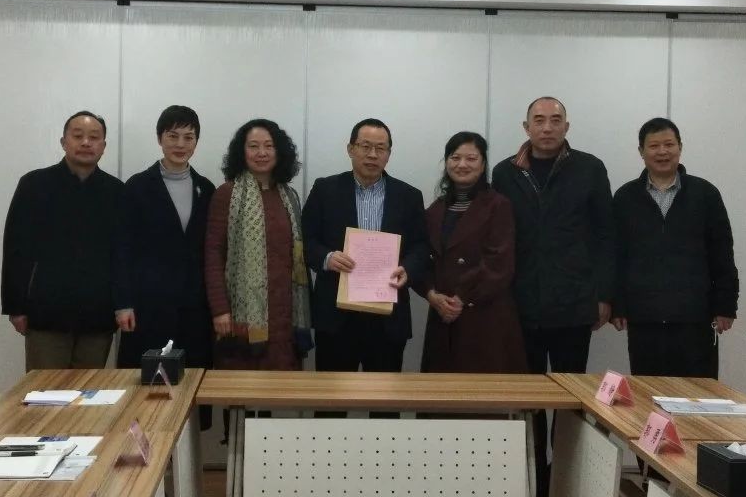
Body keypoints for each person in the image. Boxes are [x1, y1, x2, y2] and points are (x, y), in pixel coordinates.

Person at [490, 96, 614, 497]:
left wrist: (604, 295)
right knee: (528, 397)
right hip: (521, 304)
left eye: (555, 120)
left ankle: (565, 477)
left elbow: (606, 236)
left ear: (567, 126)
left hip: (573, 303)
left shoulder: (590, 169)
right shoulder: (505, 172)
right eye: (539, 120)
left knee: (570, 397)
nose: (547, 127)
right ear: (526, 127)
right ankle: (532, 478)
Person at [611, 117, 739, 379]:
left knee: (698, 393)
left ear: (680, 147)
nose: (662, 152)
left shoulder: (705, 194)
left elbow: (722, 254)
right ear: (641, 152)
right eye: (654, 146)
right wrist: (618, 306)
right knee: (648, 392)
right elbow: (616, 257)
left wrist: (725, 306)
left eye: (669, 144)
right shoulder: (625, 198)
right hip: (643, 316)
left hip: (695, 316)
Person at [302, 118, 429, 376]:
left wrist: (407, 269)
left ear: (389, 154)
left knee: (384, 398)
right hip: (336, 316)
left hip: (388, 318)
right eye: (365, 146)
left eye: (380, 148)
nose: (373, 154)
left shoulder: (409, 196)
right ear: (351, 149)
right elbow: (305, 240)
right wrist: (327, 258)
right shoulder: (325, 189)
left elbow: (420, 245)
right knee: (331, 397)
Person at [115, 106, 216, 427]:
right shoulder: (137, 187)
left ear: (196, 142)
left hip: (194, 308)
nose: (180, 144)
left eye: (189, 137)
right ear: (160, 139)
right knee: (147, 394)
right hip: (148, 306)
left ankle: (187, 454)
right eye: (173, 136)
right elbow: (122, 249)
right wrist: (123, 303)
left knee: (190, 390)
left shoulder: (206, 188)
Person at [1, 111, 124, 371]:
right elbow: (16, 249)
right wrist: (15, 307)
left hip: (98, 314)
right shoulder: (34, 185)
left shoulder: (116, 191)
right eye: (78, 136)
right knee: (45, 391)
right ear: (63, 142)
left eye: (94, 137)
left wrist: (122, 305)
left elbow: (122, 255)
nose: (86, 143)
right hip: (46, 311)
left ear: (104, 146)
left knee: (89, 392)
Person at [204, 118, 311, 372]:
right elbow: (213, 255)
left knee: (281, 388)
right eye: (253, 146)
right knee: (242, 387)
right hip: (240, 318)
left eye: (268, 146)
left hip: (285, 315)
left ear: (279, 151)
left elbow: (298, 258)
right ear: (242, 152)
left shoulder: (290, 197)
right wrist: (220, 310)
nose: (261, 153)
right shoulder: (226, 194)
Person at [416, 131, 526, 374]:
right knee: (442, 391)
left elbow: (499, 262)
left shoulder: (498, 205)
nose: (462, 164)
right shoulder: (435, 209)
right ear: (446, 162)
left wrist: (461, 298)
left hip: (485, 316)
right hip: (442, 315)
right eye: (455, 158)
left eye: (471, 158)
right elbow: (422, 258)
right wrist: (431, 294)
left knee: (481, 391)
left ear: (483, 164)